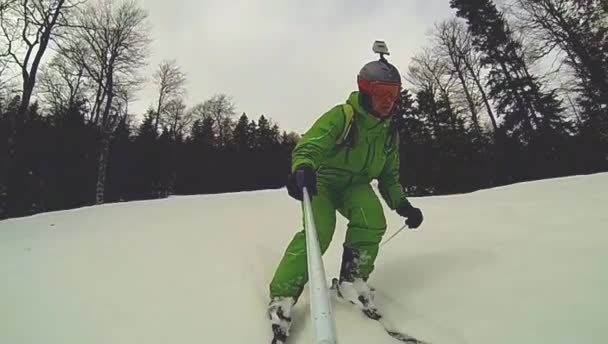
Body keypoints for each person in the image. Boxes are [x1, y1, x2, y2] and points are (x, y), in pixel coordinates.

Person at [267, 47, 424, 343]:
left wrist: (402, 204)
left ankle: (352, 281)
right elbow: (311, 145)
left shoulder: (389, 133)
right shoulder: (343, 116)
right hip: (322, 181)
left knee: (372, 220)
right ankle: (283, 296)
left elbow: (389, 175)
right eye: (381, 93)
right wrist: (303, 168)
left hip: (356, 185)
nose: (388, 101)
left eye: (394, 94)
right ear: (365, 90)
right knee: (319, 231)